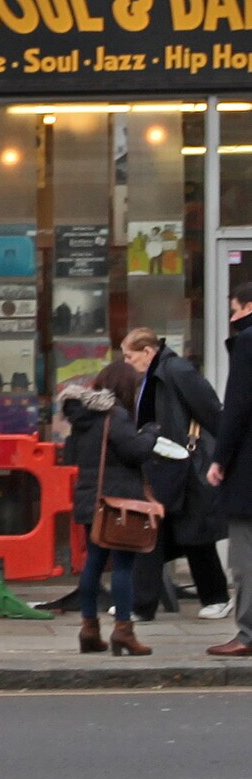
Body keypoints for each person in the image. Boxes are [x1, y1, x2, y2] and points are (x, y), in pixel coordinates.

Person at [60, 358, 185, 656]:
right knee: (123, 566)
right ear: (125, 387)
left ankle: (89, 629)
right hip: (117, 502)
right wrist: (151, 433)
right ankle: (123, 631)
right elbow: (135, 451)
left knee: (93, 563)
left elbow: (71, 455)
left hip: (90, 498)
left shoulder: (82, 417)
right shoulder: (114, 415)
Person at [121, 326, 231, 620]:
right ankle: (143, 605)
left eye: (130, 356)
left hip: (184, 463)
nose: (127, 362)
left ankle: (215, 597)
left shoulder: (177, 371)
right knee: (157, 533)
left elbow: (210, 410)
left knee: (192, 534)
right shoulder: (157, 374)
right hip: (164, 463)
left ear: (147, 352)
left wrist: (220, 455)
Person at [204, 281, 252, 657]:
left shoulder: (247, 343)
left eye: (234, 310)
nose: (232, 318)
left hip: (248, 472)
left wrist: (219, 459)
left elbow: (236, 409)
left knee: (244, 557)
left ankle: (248, 634)